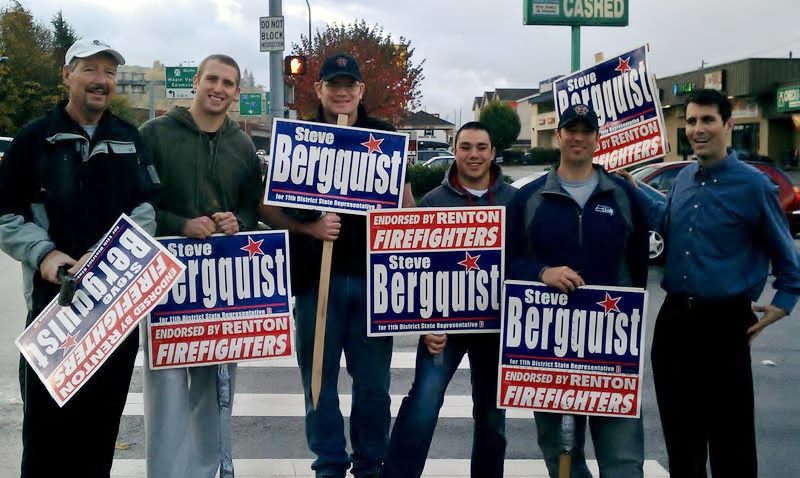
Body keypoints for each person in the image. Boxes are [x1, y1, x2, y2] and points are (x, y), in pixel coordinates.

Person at [0, 39, 159, 477]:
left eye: (109, 72)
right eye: (90, 70)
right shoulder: (34, 139)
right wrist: (44, 253)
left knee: (98, 437)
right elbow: (6, 213)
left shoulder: (129, 139)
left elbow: (147, 209)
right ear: (66, 75)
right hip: (54, 313)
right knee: (48, 442)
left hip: (113, 313)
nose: (101, 81)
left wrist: (109, 251)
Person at [260, 52, 414, 478]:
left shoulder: (383, 137)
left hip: (372, 285)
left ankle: (370, 463)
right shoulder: (300, 138)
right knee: (318, 384)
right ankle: (329, 462)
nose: (342, 92)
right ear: (319, 89)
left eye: (350, 85)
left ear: (361, 91)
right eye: (334, 84)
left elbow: (406, 207)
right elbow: (268, 208)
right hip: (315, 282)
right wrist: (311, 229)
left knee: (373, 388)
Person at [633, 89, 800, 477]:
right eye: (691, 121)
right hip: (674, 321)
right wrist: (631, 185)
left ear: (728, 125)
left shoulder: (754, 186)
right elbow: (667, 220)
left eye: (707, 120)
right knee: (681, 439)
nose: (697, 129)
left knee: (731, 442)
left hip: (725, 324)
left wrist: (784, 302)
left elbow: (786, 254)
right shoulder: (686, 178)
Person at [506, 104, 649, 478]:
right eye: (571, 130)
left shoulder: (622, 195)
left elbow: (638, 267)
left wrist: (626, 318)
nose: (578, 137)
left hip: (610, 346)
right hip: (549, 345)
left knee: (623, 460)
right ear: (559, 136)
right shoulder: (530, 197)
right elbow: (505, 262)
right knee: (563, 460)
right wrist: (542, 272)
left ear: (597, 138)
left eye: (586, 131)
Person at [138, 54, 262, 478]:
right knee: (167, 391)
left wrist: (238, 220)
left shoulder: (242, 144)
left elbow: (251, 205)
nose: (219, 89)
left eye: (229, 83)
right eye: (212, 79)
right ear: (196, 81)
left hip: (219, 286)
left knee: (215, 390)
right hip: (163, 282)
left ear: (237, 92)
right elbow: (138, 205)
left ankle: (207, 471)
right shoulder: (153, 134)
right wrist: (177, 224)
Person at [381, 121, 514, 478]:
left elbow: (526, 263)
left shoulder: (514, 201)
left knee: (492, 416)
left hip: (498, 329)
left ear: (493, 152)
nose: (474, 155)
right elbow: (414, 273)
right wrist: (425, 327)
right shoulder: (433, 202)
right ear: (454, 152)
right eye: (466, 147)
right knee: (423, 402)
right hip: (442, 327)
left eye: (481, 147)